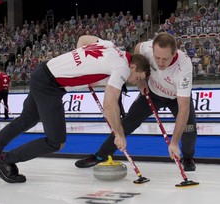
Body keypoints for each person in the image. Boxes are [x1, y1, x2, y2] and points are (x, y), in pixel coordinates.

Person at [0, 35, 150, 183]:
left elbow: (83, 40)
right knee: (56, 141)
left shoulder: (111, 46)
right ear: (133, 66)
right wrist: (119, 134)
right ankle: (4, 160)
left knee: (27, 119)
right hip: (50, 86)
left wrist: (82, 67)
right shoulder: (122, 68)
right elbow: (110, 104)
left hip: (43, 72)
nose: (135, 81)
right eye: (138, 77)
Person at [75, 32, 198, 172]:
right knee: (126, 124)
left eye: (165, 59)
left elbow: (183, 109)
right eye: (157, 58)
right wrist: (141, 81)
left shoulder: (184, 66)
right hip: (152, 93)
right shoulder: (147, 48)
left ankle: (188, 157)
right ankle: (100, 155)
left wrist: (174, 143)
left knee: (189, 129)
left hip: (177, 98)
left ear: (174, 52)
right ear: (152, 49)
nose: (160, 62)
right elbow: (138, 49)